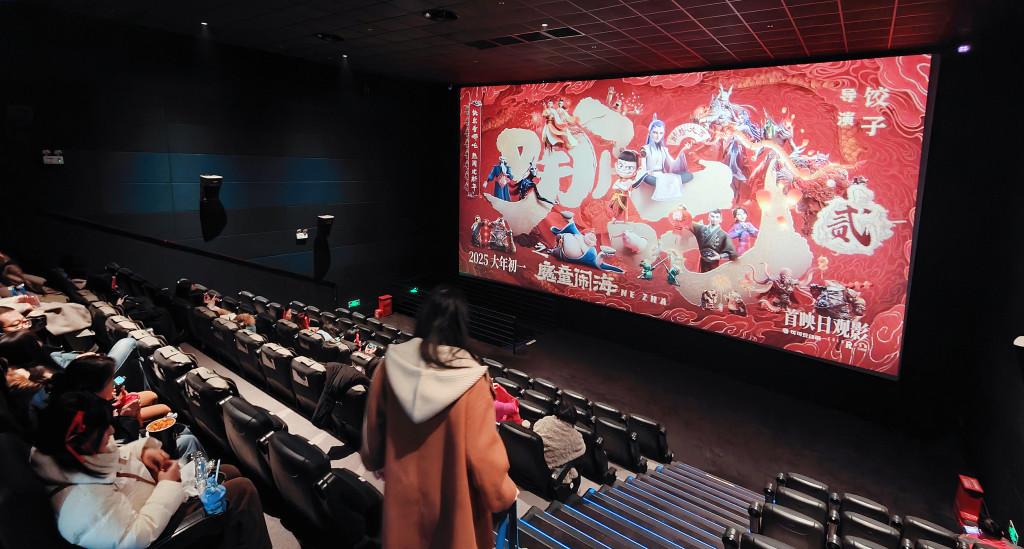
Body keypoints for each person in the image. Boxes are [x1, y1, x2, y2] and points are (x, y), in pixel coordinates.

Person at [361, 285, 517, 548]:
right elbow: (485, 461)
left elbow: (372, 443)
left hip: (403, 517)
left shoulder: (389, 365)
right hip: (453, 525)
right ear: (461, 326)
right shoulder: (472, 382)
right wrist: (505, 493)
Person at [31, 391, 272, 549]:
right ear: (82, 442)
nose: (112, 432)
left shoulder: (73, 454)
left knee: (228, 471)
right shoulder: (81, 504)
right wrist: (169, 484)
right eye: (104, 430)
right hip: (155, 538)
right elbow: (134, 539)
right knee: (242, 491)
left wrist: (142, 450)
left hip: (146, 502)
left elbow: (112, 456)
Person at [46, 354, 202, 459]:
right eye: (110, 380)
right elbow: (120, 448)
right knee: (188, 440)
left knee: (183, 431)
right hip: (126, 457)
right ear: (97, 387)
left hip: (126, 443)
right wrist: (129, 418)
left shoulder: (85, 401)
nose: (114, 384)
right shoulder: (89, 414)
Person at [633, 114, 693, 202]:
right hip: (651, 176)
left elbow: (672, 164)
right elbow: (643, 167)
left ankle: (666, 183)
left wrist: (682, 149)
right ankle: (663, 183)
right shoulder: (645, 149)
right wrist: (648, 173)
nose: (658, 136)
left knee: (688, 175)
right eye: (655, 132)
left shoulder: (663, 149)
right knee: (650, 178)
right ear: (650, 132)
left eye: (661, 133)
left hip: (662, 175)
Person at [531, 398, 586, 483]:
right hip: (549, 473)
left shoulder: (545, 421)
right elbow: (581, 450)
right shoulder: (576, 438)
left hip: (533, 463)